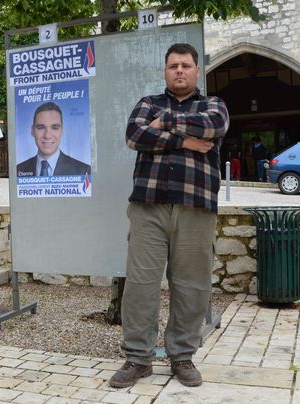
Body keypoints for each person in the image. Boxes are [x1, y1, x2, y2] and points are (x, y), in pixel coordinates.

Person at [109, 43, 229, 389]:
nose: (179, 70)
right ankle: (137, 358)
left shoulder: (213, 105)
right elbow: (134, 135)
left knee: (192, 286)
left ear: (196, 71)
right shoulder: (148, 103)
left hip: (196, 207)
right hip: (149, 206)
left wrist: (166, 126)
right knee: (141, 285)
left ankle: (182, 356)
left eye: (186, 65)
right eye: (173, 65)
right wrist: (186, 142)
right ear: (165, 71)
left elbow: (214, 126)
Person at [16, 102, 91, 177]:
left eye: (55, 128)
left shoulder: (83, 171)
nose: (47, 136)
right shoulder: (19, 170)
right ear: (32, 131)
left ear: (62, 131)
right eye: (41, 128)